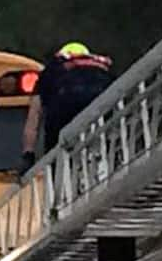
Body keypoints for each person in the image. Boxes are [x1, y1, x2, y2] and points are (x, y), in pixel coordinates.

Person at [21, 42, 113, 173]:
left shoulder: (52, 71)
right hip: (100, 108)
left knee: (58, 158)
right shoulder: (102, 69)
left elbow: (33, 117)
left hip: (63, 110)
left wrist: (28, 155)